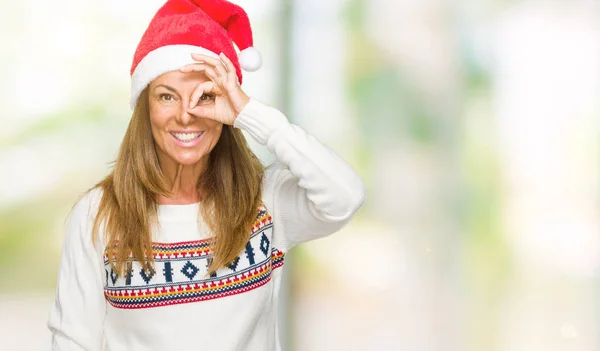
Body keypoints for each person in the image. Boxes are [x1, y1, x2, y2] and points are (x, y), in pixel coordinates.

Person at [47, 0, 366, 350]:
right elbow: (73, 341)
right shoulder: (97, 214)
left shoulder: (265, 201)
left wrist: (249, 112)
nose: (186, 115)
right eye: (167, 96)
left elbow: (345, 197)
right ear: (144, 107)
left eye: (205, 96)